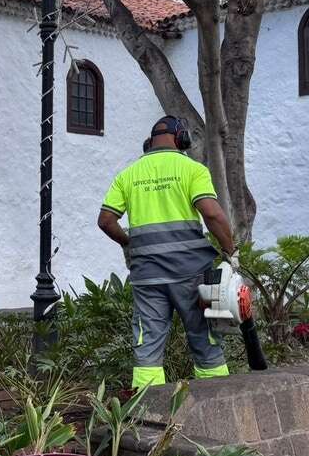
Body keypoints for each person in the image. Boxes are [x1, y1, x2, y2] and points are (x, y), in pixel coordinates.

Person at [98, 116, 238, 388]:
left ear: (149, 144)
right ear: (181, 139)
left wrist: (129, 244)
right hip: (192, 274)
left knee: (147, 344)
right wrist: (230, 252)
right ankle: (216, 405)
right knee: (204, 339)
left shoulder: (128, 175)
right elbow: (212, 213)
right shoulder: (192, 169)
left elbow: (106, 221)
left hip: (147, 276)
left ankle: (148, 414)